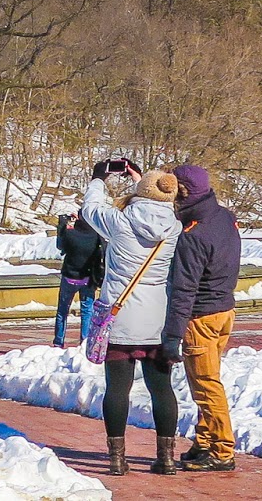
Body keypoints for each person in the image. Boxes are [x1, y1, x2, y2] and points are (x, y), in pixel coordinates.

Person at [80, 159, 183, 477]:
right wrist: (145, 182)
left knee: (117, 389)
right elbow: (160, 197)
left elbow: (90, 209)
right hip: (156, 321)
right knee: (162, 389)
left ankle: (116, 459)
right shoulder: (175, 227)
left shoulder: (119, 221)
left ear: (141, 192)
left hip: (120, 318)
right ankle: (165, 458)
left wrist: (100, 178)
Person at [161, 164, 242, 472]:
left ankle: (222, 450)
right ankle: (204, 442)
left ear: (182, 191)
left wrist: (172, 335)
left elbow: (184, 290)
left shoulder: (192, 235)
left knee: (206, 386)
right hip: (224, 311)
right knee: (206, 381)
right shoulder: (224, 216)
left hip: (201, 317)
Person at [53, 212, 104, 348]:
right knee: (87, 311)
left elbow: (60, 246)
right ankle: (84, 342)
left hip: (69, 277)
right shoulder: (96, 236)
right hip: (87, 279)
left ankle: (58, 341)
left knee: (62, 311)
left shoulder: (71, 235)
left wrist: (63, 226)